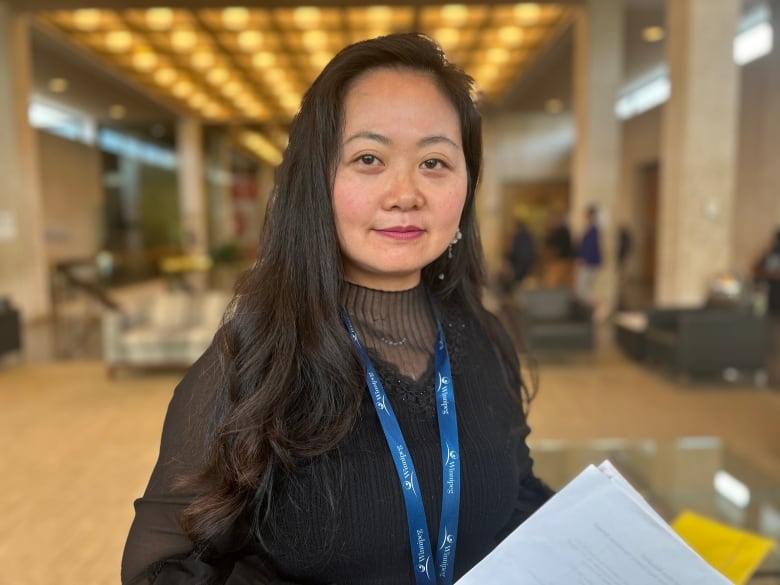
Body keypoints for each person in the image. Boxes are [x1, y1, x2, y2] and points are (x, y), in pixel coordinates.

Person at [121, 33, 552, 585]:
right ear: (317, 183)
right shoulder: (251, 364)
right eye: (368, 158)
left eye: (435, 162)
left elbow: (516, 499)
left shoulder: (486, 340)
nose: (405, 193)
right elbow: (161, 569)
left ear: (467, 188)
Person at [574, 205, 602, 305]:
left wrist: (584, 259)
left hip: (589, 262)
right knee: (584, 288)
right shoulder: (590, 229)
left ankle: (595, 308)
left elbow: (590, 247)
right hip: (589, 261)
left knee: (584, 288)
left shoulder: (593, 230)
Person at [501, 219, 536, 293]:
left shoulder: (519, 238)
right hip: (523, 268)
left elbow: (517, 255)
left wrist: (513, 271)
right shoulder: (527, 237)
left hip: (519, 268)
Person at [541, 209, 573, 288]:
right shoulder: (554, 231)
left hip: (560, 262)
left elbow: (557, 248)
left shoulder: (562, 231)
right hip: (556, 262)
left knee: (554, 285)